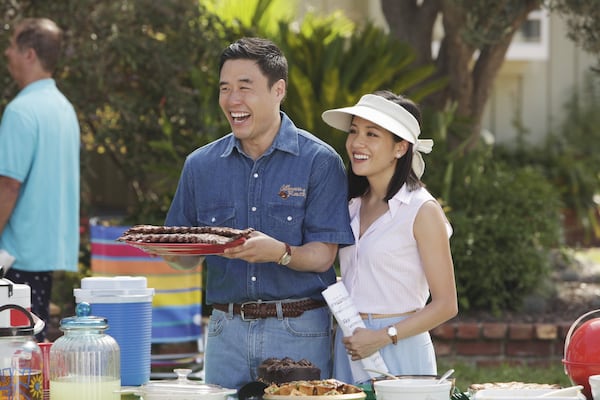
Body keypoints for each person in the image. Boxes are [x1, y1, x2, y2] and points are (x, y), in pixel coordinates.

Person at [165, 37, 354, 389]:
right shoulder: (199, 166)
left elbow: (324, 256)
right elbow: (186, 259)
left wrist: (280, 253)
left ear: (278, 89)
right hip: (225, 332)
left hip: (298, 329)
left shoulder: (319, 161)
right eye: (225, 89)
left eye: (244, 87)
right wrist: (171, 253)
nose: (232, 100)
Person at [321, 91, 458, 383]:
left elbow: (446, 304)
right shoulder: (352, 205)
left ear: (400, 148)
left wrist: (384, 336)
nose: (357, 143)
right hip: (351, 343)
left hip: (400, 347)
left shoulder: (422, 210)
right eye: (354, 131)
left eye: (372, 134)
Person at [0, 18, 80, 342]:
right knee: (30, 354)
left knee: (12, 358)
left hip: (16, 257)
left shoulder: (22, 111)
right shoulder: (64, 109)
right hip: (45, 254)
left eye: (12, 46)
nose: (6, 53)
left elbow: (8, 184)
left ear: (29, 54)